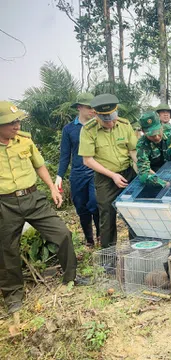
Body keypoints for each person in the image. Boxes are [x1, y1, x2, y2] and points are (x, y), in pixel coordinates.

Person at [0, 101, 82, 315]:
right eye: (10, 123)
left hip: (33, 197)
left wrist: (52, 188)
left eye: (17, 121)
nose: (16, 126)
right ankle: (13, 295)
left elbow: (39, 165)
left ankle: (71, 277)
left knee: (62, 233)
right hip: (4, 203)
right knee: (7, 249)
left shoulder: (25, 141)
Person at [78, 94, 138, 248]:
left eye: (113, 118)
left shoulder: (125, 125)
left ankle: (137, 250)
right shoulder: (88, 130)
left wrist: (144, 170)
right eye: (106, 120)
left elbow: (133, 151)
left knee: (134, 213)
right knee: (107, 216)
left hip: (128, 173)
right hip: (105, 177)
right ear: (97, 115)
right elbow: (88, 160)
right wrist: (112, 175)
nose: (111, 122)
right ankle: (109, 258)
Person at [56, 93, 99, 247]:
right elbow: (65, 155)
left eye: (94, 107)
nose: (92, 110)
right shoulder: (69, 129)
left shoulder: (98, 125)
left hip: (96, 172)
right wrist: (59, 176)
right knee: (81, 207)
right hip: (78, 174)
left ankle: (101, 237)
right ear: (79, 107)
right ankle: (89, 240)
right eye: (89, 107)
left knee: (95, 203)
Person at [136, 111, 171, 187]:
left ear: (161, 125)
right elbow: (143, 172)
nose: (157, 137)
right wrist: (162, 183)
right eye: (152, 135)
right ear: (143, 132)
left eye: (158, 132)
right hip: (156, 173)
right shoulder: (142, 144)